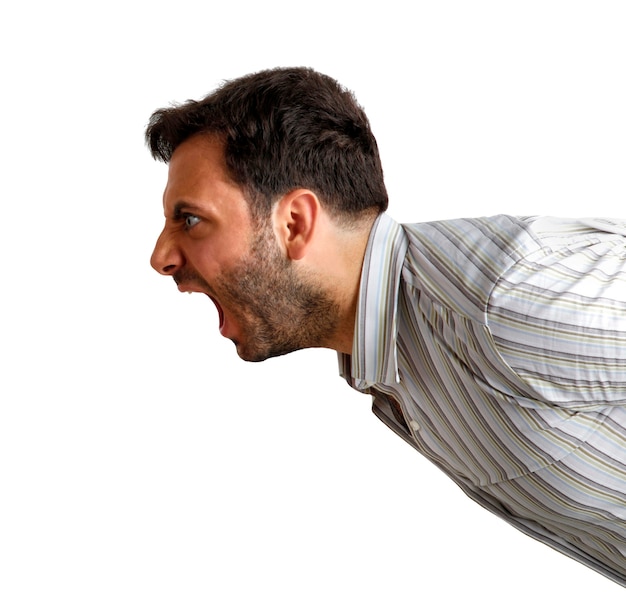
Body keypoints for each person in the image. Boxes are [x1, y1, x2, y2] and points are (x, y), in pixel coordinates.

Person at [146, 67, 626, 586]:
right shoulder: (392, 361)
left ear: (294, 224)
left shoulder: (503, 302)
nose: (161, 257)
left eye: (190, 219)